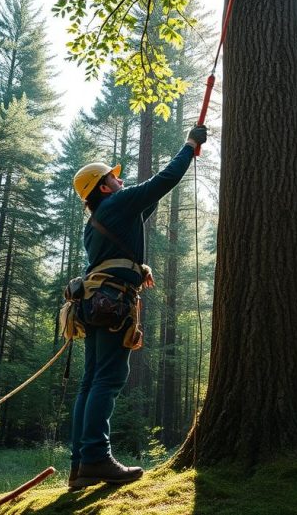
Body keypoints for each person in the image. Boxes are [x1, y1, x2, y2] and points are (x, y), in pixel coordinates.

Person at [67, 124, 207, 489]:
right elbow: (163, 182)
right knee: (108, 379)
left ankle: (80, 463)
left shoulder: (98, 221)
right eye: (113, 179)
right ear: (103, 188)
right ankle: (96, 458)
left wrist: (177, 162)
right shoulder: (116, 205)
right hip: (112, 302)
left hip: (94, 303)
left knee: (91, 381)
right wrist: (189, 146)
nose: (120, 180)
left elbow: (149, 200)